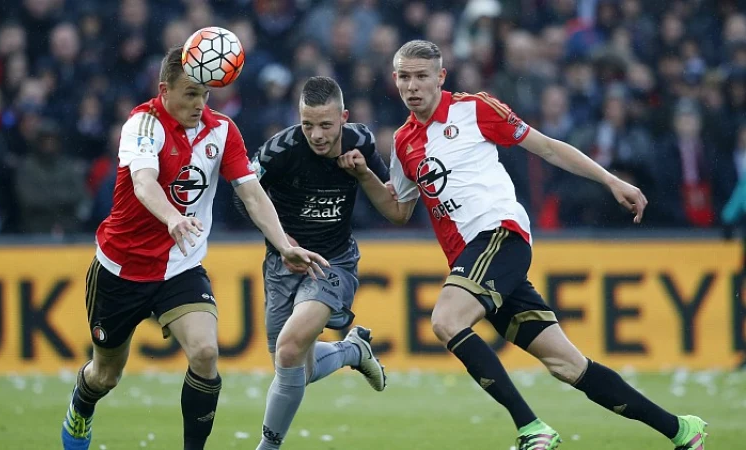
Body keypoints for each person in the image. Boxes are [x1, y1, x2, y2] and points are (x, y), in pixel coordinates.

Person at [337, 39, 708, 450]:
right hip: (475, 258)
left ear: (440, 77)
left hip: (500, 234)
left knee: (446, 321)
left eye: (422, 76)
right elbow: (399, 210)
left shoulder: (475, 109)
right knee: (567, 365)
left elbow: (547, 147)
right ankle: (682, 430)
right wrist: (364, 176)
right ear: (395, 79)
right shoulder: (405, 142)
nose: (412, 86)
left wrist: (611, 180)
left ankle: (532, 428)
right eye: (404, 77)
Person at [60, 46, 329, 450]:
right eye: (190, 94)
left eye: (205, 95)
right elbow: (144, 183)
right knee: (105, 375)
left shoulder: (222, 130)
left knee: (205, 353)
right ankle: (82, 406)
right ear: (164, 90)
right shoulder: (143, 124)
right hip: (121, 269)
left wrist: (283, 243)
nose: (199, 104)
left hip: (180, 267)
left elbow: (252, 194)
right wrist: (172, 217)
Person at [235, 76, 388, 450]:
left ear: (344, 118)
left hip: (334, 263)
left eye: (326, 125)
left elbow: (388, 196)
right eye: (308, 125)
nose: (317, 135)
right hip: (282, 266)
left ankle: (267, 446)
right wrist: (280, 239)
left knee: (289, 347)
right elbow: (242, 198)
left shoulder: (361, 141)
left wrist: (363, 171)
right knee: (293, 370)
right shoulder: (278, 151)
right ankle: (353, 351)